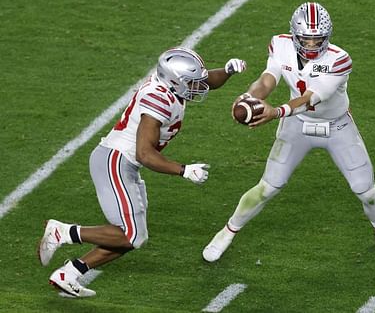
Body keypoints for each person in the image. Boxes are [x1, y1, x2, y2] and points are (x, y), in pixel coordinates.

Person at [203, 2, 375, 263]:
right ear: (295, 35)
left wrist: (275, 112)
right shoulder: (280, 44)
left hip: (337, 126)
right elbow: (268, 78)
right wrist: (249, 97)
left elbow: (312, 98)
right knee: (267, 187)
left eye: (317, 40)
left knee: (365, 190)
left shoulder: (339, 59)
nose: (311, 46)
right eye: (306, 39)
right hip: (297, 126)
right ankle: (227, 231)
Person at [37, 47, 246, 297]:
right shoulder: (157, 98)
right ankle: (63, 232)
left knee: (135, 236)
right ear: (174, 81)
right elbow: (144, 154)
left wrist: (228, 70)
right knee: (130, 235)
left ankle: (69, 273)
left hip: (123, 163)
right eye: (191, 82)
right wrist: (184, 170)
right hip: (115, 161)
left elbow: (207, 81)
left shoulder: (170, 86)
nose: (198, 87)